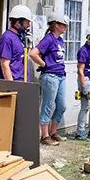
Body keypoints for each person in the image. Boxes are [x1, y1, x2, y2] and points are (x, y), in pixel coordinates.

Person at [29, 11, 68, 146]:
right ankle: (44, 136)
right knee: (48, 105)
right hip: (50, 76)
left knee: (62, 106)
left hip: (61, 76)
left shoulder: (60, 40)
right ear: (56, 25)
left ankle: (53, 132)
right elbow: (33, 54)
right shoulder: (48, 39)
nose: (65, 27)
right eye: (63, 24)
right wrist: (45, 64)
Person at [0, 5, 32, 82]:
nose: (28, 25)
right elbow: (4, 64)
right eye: (27, 22)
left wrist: (28, 45)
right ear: (18, 22)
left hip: (23, 81)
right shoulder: (7, 38)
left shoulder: (19, 38)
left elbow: (22, 58)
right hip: (15, 82)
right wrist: (11, 85)